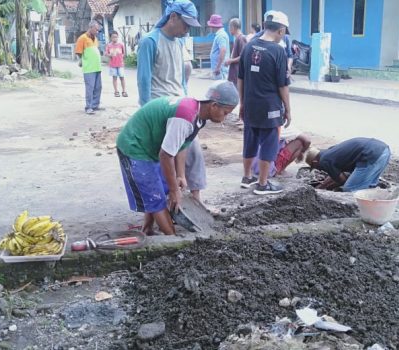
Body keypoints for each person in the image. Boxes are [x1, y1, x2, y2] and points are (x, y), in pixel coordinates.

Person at [116, 81, 239, 235]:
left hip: (150, 147)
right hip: (135, 146)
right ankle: (172, 237)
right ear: (214, 105)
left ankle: (147, 230)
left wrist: (180, 175)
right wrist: (174, 190)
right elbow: (166, 155)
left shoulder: (199, 116)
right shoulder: (185, 117)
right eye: (225, 112)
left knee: (158, 189)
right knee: (155, 197)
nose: (225, 118)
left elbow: (183, 145)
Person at [137, 0, 208, 202]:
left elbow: (181, 80)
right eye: (186, 25)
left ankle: (196, 200)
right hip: (160, 108)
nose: (187, 30)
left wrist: (188, 102)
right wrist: (147, 116)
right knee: (164, 157)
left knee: (192, 150)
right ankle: (164, 202)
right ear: (173, 17)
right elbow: (143, 81)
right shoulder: (150, 41)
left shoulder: (178, 43)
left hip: (181, 105)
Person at [238, 11, 291, 195]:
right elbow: (283, 86)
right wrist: (288, 110)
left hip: (251, 105)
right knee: (269, 143)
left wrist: (242, 103)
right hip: (270, 108)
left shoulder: (248, 47)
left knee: (250, 140)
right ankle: (262, 183)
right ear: (281, 30)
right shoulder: (278, 51)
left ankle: (247, 177)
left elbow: (241, 79)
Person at [304, 138, 391, 192]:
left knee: (350, 189)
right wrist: (322, 186)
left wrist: (326, 189)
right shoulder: (329, 152)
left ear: (315, 162)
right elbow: (334, 174)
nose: (319, 170)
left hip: (370, 155)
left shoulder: (324, 161)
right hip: (383, 150)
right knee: (368, 184)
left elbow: (341, 180)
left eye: (314, 167)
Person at [75, 20, 103, 115]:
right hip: (89, 68)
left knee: (98, 87)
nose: (97, 31)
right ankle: (88, 107)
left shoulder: (95, 39)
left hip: (97, 67)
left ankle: (95, 105)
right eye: (96, 29)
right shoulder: (82, 38)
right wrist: (82, 60)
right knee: (90, 88)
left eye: (98, 30)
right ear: (90, 28)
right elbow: (78, 52)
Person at [224, 18, 247, 86]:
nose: (229, 29)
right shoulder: (237, 39)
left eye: (229, 27)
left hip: (238, 73)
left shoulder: (241, 38)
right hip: (234, 73)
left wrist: (230, 61)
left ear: (233, 27)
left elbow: (243, 56)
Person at [105, 30, 127, 98]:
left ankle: (124, 91)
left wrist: (121, 57)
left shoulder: (121, 45)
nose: (115, 38)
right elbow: (106, 54)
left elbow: (124, 53)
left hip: (120, 64)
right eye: (113, 37)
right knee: (114, 78)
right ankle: (116, 91)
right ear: (110, 38)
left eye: (116, 37)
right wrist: (110, 55)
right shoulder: (109, 45)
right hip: (113, 65)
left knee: (122, 77)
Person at [207, 15, 229, 80]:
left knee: (220, 88)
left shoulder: (220, 35)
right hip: (220, 68)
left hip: (220, 69)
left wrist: (218, 67)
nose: (210, 27)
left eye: (210, 26)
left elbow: (223, 50)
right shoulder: (220, 35)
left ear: (213, 26)